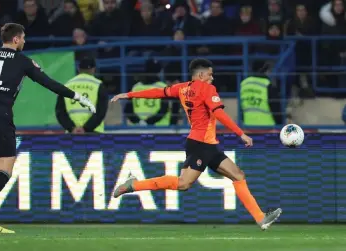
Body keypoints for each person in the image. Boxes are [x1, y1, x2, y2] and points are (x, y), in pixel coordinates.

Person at [111, 58, 282, 230]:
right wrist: (241, 133)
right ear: (201, 74)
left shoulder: (182, 88)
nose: (212, 78)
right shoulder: (207, 89)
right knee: (183, 184)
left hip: (207, 144)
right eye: (210, 74)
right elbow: (220, 114)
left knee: (238, 175)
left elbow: (158, 92)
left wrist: (129, 95)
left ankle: (260, 218)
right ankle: (133, 185)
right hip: (201, 144)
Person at [0, 23, 95, 234]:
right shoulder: (23, 61)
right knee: (5, 170)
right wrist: (77, 97)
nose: (24, 41)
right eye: (22, 38)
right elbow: (48, 83)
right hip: (0, 116)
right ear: (15, 39)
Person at [55, 57, 108, 133]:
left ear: (78, 69)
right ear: (93, 69)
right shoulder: (98, 85)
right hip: (94, 133)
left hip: (72, 134)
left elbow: (60, 112)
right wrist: (86, 129)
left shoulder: (67, 85)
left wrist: (72, 128)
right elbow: (101, 111)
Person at [124, 59, 171, 126]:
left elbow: (127, 110)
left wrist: (139, 122)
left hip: (137, 128)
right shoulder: (162, 87)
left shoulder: (135, 87)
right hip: (160, 128)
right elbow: (164, 110)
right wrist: (147, 122)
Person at [240, 61, 282, 126]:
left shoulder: (244, 84)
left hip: (248, 126)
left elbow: (241, 107)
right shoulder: (267, 85)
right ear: (265, 70)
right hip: (267, 128)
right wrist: (280, 124)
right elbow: (276, 109)